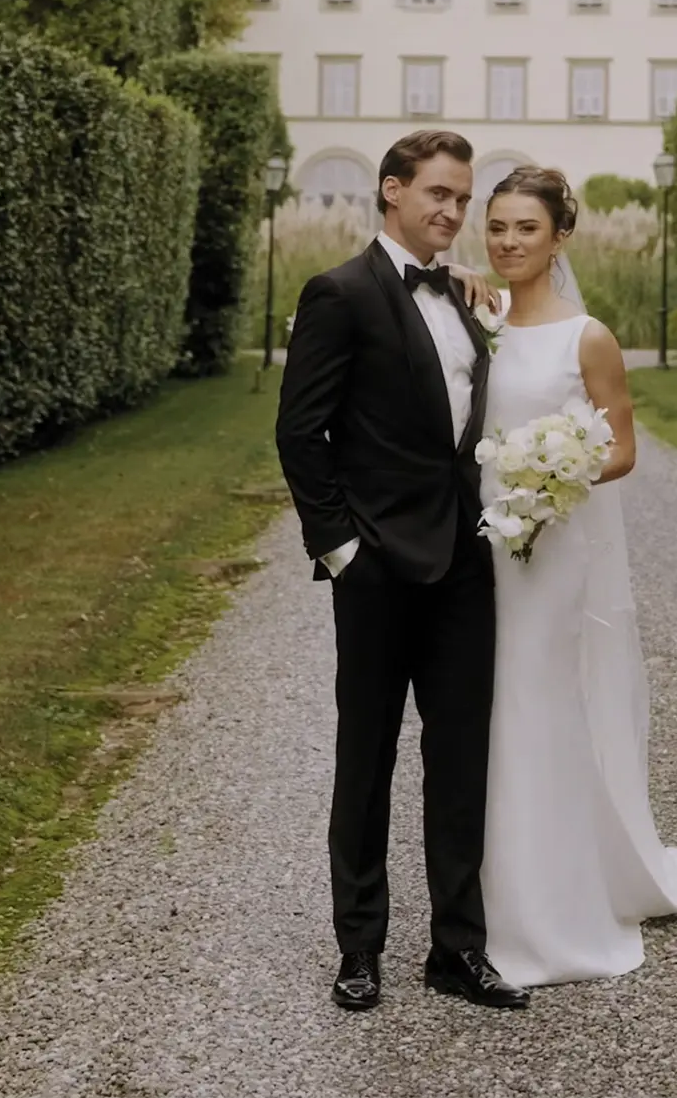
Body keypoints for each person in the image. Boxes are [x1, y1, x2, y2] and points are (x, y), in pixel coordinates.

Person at [473, 165, 677, 988]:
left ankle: (548, 904)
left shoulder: (585, 335)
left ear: (560, 237)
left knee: (536, 705)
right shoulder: (476, 318)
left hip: (550, 547)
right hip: (476, 545)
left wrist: (551, 482)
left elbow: (623, 449)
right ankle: (488, 890)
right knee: (480, 714)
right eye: (497, 226)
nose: (508, 241)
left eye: (526, 227)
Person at [274, 129, 530, 1012]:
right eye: (439, 195)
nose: (455, 212)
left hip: (465, 561)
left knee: (460, 758)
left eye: (463, 198)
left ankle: (457, 949)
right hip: (377, 568)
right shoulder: (339, 294)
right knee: (367, 755)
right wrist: (341, 550)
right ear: (391, 191)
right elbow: (300, 433)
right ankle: (360, 947)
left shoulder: (466, 300)